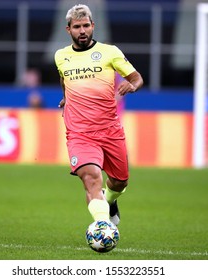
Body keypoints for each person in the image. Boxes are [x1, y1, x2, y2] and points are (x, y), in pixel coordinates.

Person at [54, 4, 143, 226]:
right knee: (92, 177)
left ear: (93, 26)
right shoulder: (61, 56)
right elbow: (64, 79)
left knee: (120, 181)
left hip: (110, 130)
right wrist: (66, 97)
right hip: (79, 133)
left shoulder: (109, 52)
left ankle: (110, 201)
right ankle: (103, 227)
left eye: (85, 25)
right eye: (77, 27)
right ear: (69, 30)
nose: (82, 31)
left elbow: (136, 77)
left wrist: (132, 86)